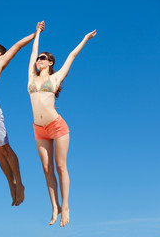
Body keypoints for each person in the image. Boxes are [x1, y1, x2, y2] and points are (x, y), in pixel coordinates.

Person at [28, 21, 96, 226]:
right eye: (39, 58)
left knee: (60, 166)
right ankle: (54, 207)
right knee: (46, 169)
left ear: (49, 63)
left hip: (57, 126)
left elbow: (72, 56)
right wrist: (37, 32)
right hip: (38, 129)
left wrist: (84, 39)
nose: (39, 60)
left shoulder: (56, 78)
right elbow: (32, 52)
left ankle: (65, 206)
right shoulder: (31, 77)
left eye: (43, 58)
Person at [0, 22, 45, 206]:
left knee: (4, 148)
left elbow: (17, 46)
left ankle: (19, 183)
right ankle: (10, 184)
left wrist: (36, 32)